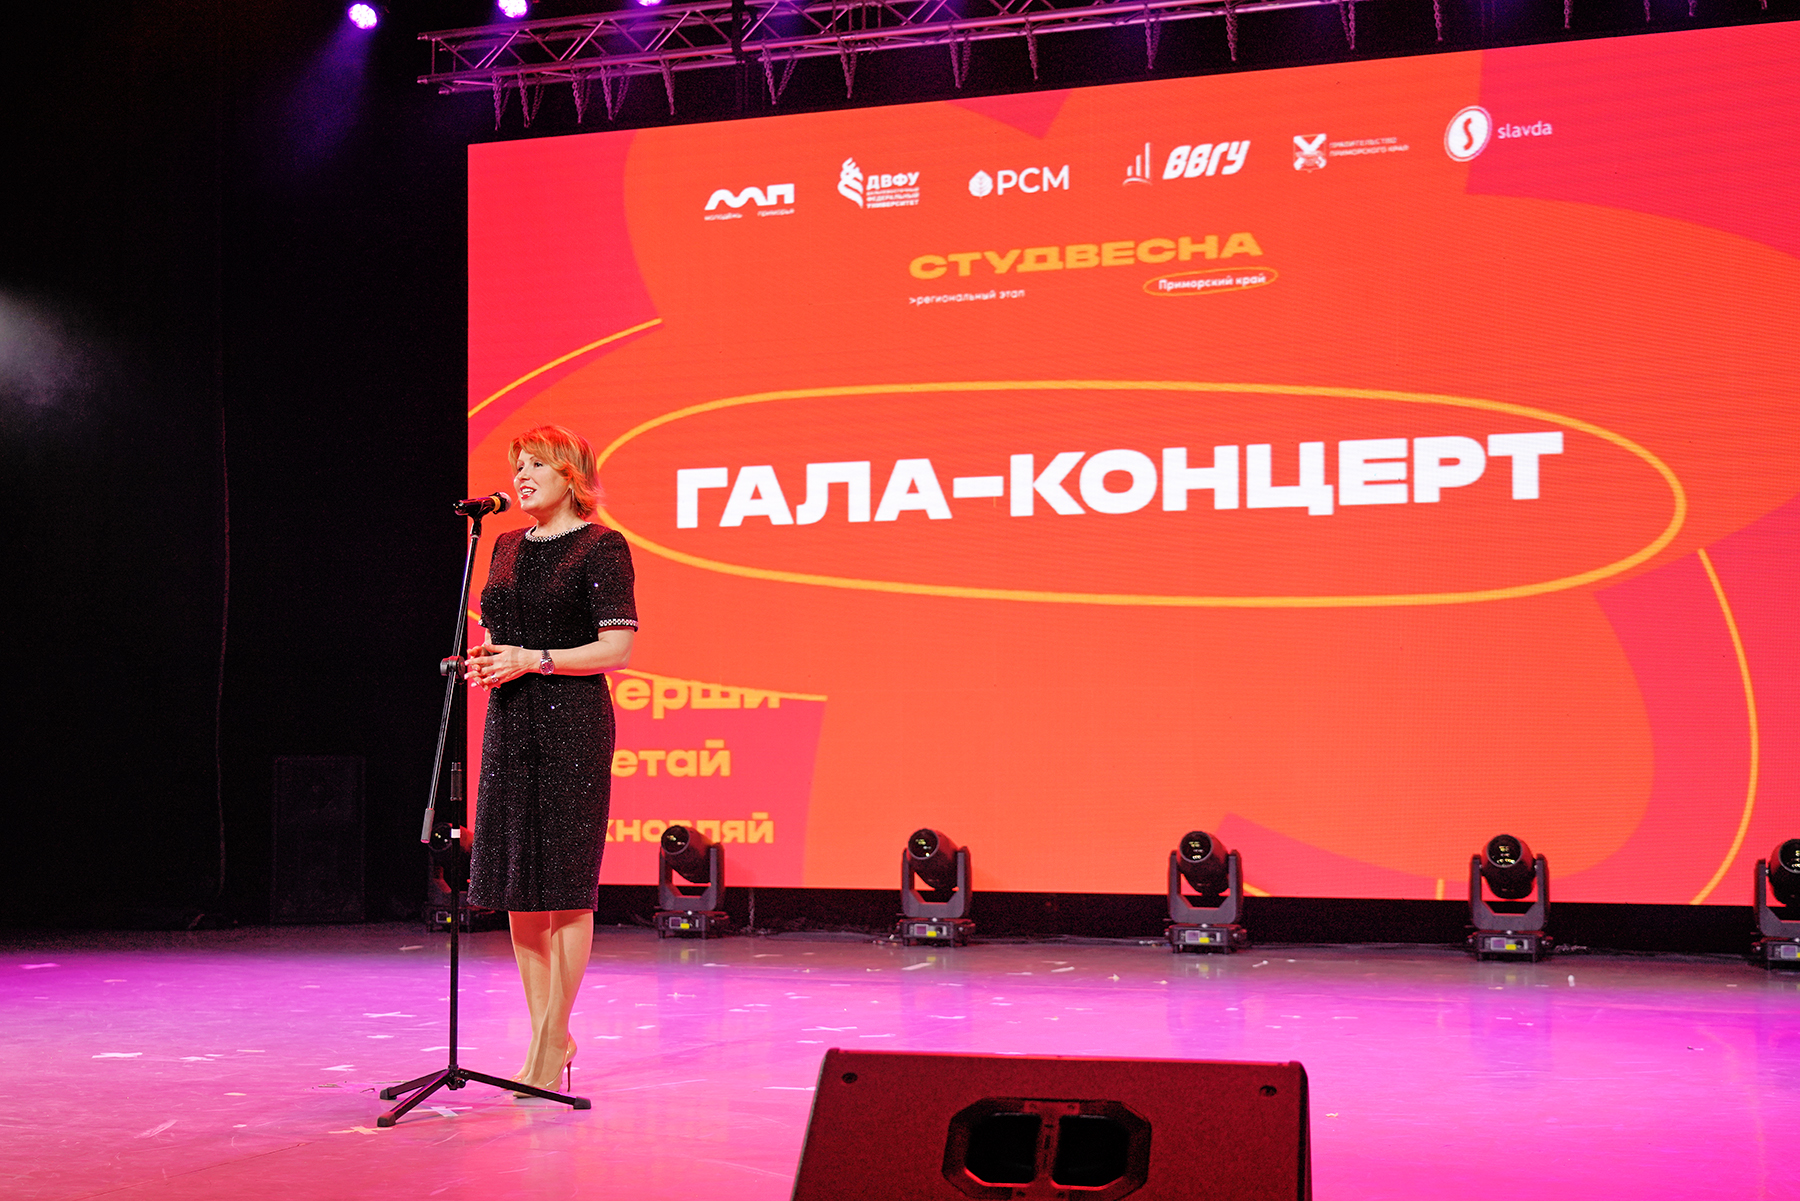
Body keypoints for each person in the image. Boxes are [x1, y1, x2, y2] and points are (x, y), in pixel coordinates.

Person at [464, 424, 637, 1093]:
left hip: (573, 725)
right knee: (519, 887)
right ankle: (549, 1036)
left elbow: (615, 648)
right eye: (518, 465)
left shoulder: (602, 545)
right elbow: (501, 633)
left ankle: (548, 1042)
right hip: (510, 723)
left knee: (563, 888)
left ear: (572, 476)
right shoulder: (504, 544)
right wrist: (491, 660)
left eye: (537, 464)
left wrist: (533, 659)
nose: (522, 476)